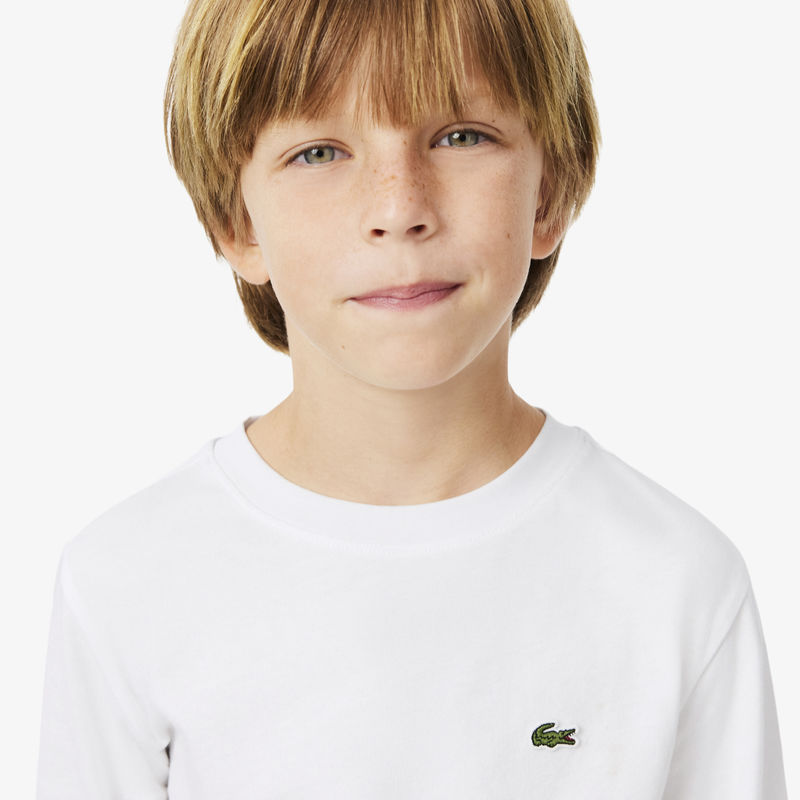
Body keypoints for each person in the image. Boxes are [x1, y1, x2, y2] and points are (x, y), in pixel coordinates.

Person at [36, 0, 788, 797]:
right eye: (319, 152)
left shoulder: (676, 583)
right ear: (235, 221)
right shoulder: (126, 584)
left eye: (461, 137)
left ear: (550, 191)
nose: (399, 210)